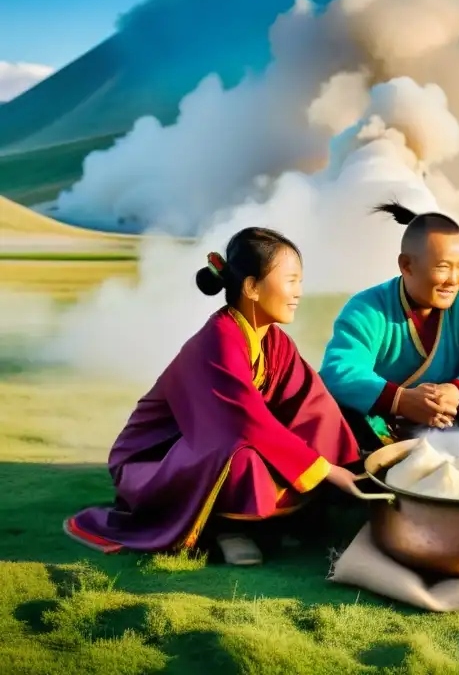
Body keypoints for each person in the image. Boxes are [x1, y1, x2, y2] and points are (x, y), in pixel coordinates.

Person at [64, 228, 362, 566]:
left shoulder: (274, 341)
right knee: (242, 455)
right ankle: (224, 529)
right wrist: (327, 471)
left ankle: (286, 518)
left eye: (300, 282)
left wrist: (351, 464)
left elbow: (310, 401)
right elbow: (246, 423)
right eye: (291, 281)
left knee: (307, 423)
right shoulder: (217, 341)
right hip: (155, 458)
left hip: (208, 443)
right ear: (251, 286)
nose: (299, 293)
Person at [320, 202, 459, 450]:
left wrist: (457, 392)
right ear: (407, 265)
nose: (454, 280)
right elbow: (339, 371)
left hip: (450, 427)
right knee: (338, 407)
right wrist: (401, 401)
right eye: (443, 267)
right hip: (384, 432)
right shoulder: (367, 308)